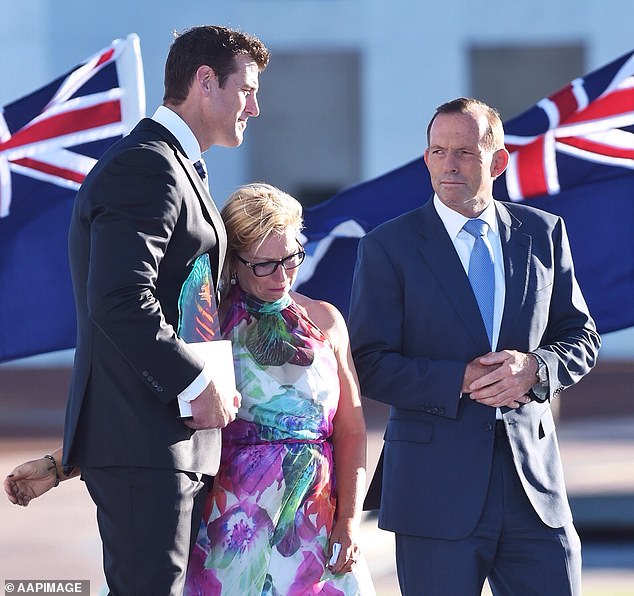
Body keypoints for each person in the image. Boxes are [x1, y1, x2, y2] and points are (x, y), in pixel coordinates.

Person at [5, 183, 376, 596]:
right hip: (231, 532)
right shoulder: (206, 323)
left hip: (316, 527)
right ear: (233, 261)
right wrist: (60, 466)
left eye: (291, 258)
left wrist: (348, 521)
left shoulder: (324, 321)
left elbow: (351, 430)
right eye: (263, 265)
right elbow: (145, 421)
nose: (282, 276)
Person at [348, 97, 601, 595]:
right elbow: (369, 364)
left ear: (498, 161)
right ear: (426, 159)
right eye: (438, 152)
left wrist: (535, 368)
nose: (448, 165)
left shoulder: (543, 234)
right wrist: (461, 379)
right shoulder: (388, 246)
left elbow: (581, 336)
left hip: (534, 490)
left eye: (463, 152)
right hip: (433, 492)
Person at [63, 25, 269, 595]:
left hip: (169, 440)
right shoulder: (148, 166)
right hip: (144, 439)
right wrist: (194, 380)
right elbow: (120, 299)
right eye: (246, 89)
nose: (255, 106)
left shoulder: (176, 165)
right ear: (205, 83)